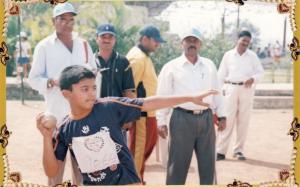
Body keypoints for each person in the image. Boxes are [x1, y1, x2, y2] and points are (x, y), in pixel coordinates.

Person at [36, 65, 218, 186]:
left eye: (93, 88)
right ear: (66, 94)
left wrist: (188, 98)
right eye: (85, 89)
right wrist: (46, 138)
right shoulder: (65, 129)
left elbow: (147, 103)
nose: (92, 94)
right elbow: (51, 170)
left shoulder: (108, 106)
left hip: (127, 182)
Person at [28, 2, 97, 185]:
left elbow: (94, 73)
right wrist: (52, 82)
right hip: (56, 119)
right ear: (54, 21)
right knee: (54, 174)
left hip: (82, 117)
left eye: (71, 19)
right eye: (62, 19)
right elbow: (33, 79)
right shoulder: (44, 46)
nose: (67, 23)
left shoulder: (83, 44)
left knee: (83, 174)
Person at [156, 28, 226, 185]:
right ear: (182, 44)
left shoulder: (209, 65)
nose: (191, 44)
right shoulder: (171, 67)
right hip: (181, 119)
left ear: (200, 44)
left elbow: (217, 91)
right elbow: (163, 95)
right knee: (177, 166)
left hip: (206, 119)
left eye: (195, 41)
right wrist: (160, 121)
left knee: (208, 166)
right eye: (188, 40)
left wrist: (222, 115)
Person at [216, 30, 264, 161]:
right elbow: (220, 75)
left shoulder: (252, 56)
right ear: (237, 40)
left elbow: (260, 72)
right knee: (227, 119)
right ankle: (220, 151)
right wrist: (218, 93)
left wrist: (253, 78)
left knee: (243, 121)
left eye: (248, 42)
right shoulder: (228, 55)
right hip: (230, 89)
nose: (245, 43)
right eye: (243, 40)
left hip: (246, 89)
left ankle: (238, 151)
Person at [126, 25, 165, 183]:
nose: (158, 44)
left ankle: (138, 180)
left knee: (142, 155)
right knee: (137, 155)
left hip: (149, 114)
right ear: (144, 39)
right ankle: (133, 182)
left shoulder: (144, 56)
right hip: (140, 116)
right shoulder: (137, 58)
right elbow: (129, 90)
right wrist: (130, 115)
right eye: (155, 41)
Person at [94, 23, 135, 141]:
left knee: (119, 156)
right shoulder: (89, 61)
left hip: (117, 118)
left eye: (110, 37)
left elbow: (128, 91)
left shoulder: (123, 61)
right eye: (103, 36)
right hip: (94, 116)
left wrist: (128, 117)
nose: (107, 40)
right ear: (97, 38)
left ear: (115, 39)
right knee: (96, 154)